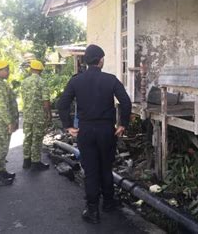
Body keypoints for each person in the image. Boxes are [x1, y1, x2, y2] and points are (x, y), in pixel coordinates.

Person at [57, 44, 131, 224]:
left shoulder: (76, 80)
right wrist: (122, 124)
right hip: (107, 130)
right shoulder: (111, 79)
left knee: (91, 171)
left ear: (85, 61)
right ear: (101, 60)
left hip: (86, 131)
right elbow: (126, 102)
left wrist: (68, 126)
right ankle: (108, 203)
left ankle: (92, 210)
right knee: (106, 167)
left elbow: (62, 104)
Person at [21, 59, 51, 171]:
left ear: (31, 69)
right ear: (40, 70)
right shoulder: (42, 82)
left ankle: (26, 161)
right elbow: (46, 100)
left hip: (27, 114)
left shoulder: (24, 82)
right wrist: (48, 113)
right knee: (37, 138)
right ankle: (36, 162)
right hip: (38, 115)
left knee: (27, 137)